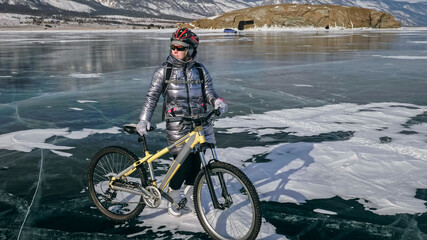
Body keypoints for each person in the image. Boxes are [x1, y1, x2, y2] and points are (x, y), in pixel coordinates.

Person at [136, 28, 228, 217]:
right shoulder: (164, 71)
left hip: (200, 123)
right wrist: (144, 119)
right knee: (183, 164)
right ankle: (174, 197)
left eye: (179, 47)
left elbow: (209, 93)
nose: (174, 50)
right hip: (177, 125)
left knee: (196, 165)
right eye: (172, 46)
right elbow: (152, 97)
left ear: (191, 50)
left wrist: (217, 102)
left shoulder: (200, 71)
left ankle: (190, 196)